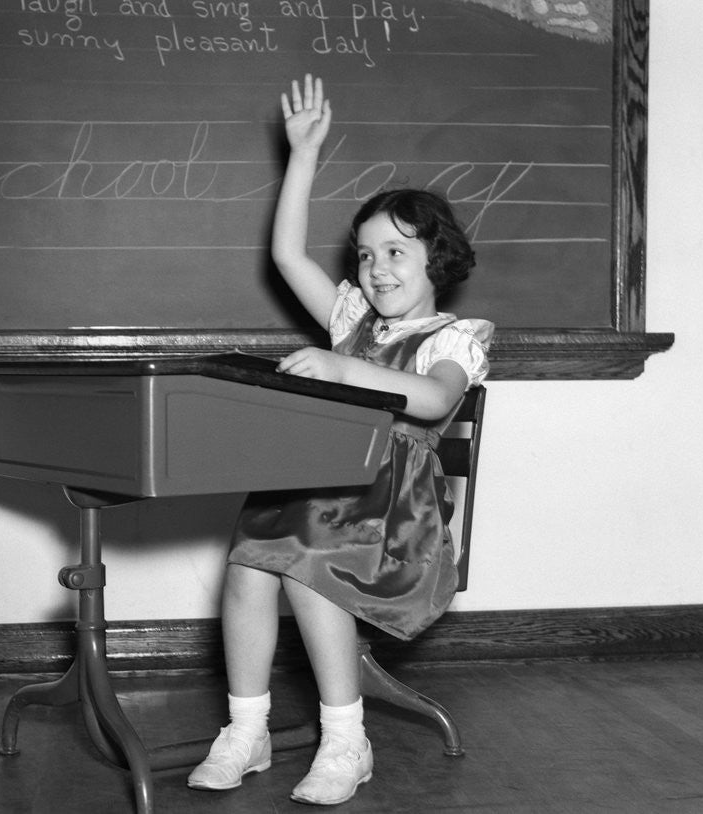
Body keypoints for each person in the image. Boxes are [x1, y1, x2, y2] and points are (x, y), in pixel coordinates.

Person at [187, 75, 494, 806]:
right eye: (364, 255)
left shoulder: (456, 337)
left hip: (395, 517)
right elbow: (290, 257)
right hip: (322, 485)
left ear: (436, 258)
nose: (376, 268)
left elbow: (435, 398)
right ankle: (247, 728)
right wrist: (303, 156)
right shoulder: (352, 319)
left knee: (308, 563)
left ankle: (345, 739)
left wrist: (339, 365)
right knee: (249, 562)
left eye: (395, 252)